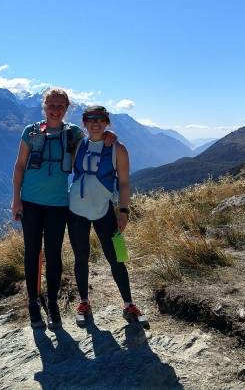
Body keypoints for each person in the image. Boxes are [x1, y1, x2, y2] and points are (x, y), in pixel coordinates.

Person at [11, 89, 113, 329]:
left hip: (58, 204)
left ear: (67, 108)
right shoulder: (31, 131)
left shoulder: (74, 134)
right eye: (51, 105)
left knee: (54, 254)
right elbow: (19, 166)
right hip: (31, 202)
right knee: (32, 253)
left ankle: (53, 303)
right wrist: (16, 199)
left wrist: (111, 136)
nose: (55, 109)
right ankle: (34, 303)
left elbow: (95, 140)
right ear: (44, 106)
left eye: (60, 106)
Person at [67, 105, 148, 329]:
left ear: (107, 122)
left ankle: (129, 303)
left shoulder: (118, 148)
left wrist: (123, 210)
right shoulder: (77, 144)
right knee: (80, 258)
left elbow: (123, 182)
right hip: (75, 210)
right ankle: (84, 303)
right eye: (90, 119)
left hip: (104, 210)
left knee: (116, 257)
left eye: (100, 119)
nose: (95, 123)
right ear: (83, 122)